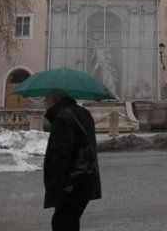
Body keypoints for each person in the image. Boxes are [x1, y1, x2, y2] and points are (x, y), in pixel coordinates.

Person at [43, 89, 102, 231]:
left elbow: (62, 152)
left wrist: (66, 181)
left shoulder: (63, 117)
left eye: (46, 98)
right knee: (70, 221)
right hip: (86, 178)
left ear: (55, 99)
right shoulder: (84, 113)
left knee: (61, 223)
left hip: (70, 183)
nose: (45, 102)